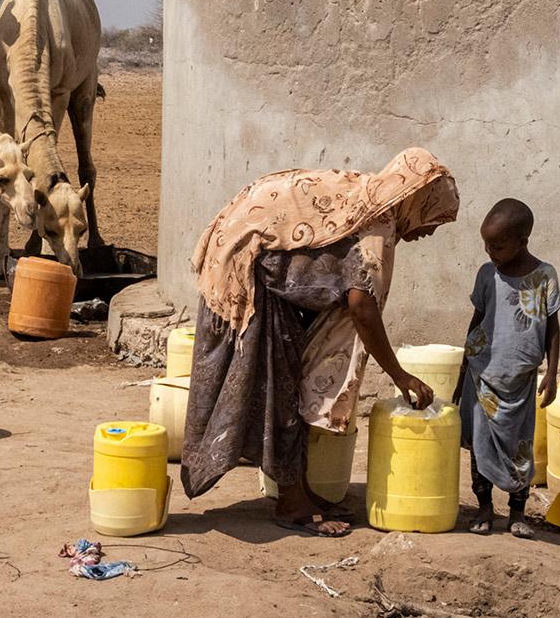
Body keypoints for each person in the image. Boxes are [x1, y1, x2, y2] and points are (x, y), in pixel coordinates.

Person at [182, 148, 459, 537]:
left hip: (254, 261)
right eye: (433, 219)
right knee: (279, 384)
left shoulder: (368, 197)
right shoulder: (377, 223)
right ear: (417, 200)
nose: (429, 231)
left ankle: (300, 490)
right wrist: (400, 375)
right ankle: (292, 501)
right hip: (249, 272)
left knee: (292, 374)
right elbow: (361, 306)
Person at [454, 199, 560, 538]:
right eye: (486, 245)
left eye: (498, 246)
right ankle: (484, 508)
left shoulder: (544, 276)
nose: (490, 252)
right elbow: (476, 321)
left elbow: (553, 326)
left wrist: (553, 373)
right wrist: (462, 370)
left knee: (519, 446)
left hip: (520, 380)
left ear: (523, 242)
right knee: (480, 446)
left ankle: (517, 513)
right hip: (482, 375)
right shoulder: (487, 274)